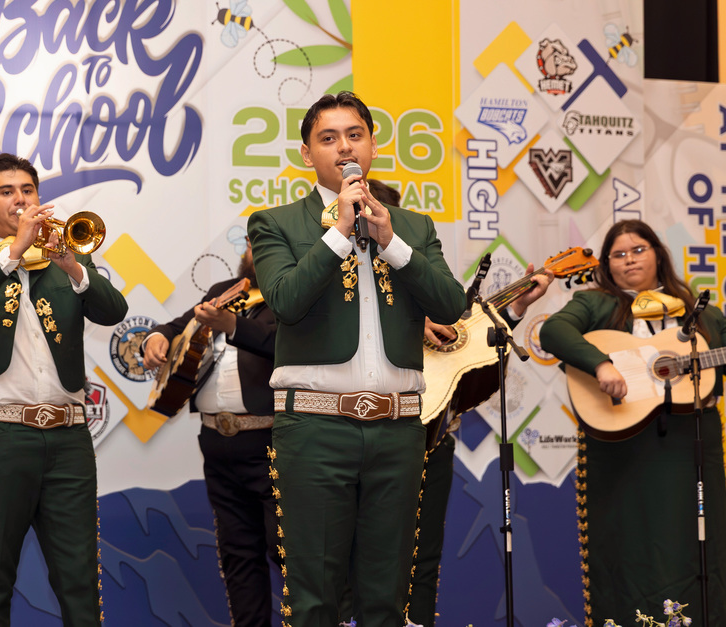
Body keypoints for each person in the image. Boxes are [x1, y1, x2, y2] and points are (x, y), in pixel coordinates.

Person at [246, 91, 466, 627]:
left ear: (372, 144)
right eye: (328, 138)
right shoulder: (275, 223)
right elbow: (286, 302)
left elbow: (451, 305)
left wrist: (392, 243)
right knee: (315, 596)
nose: (344, 146)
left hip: (397, 429)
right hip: (316, 427)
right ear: (306, 154)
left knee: (387, 598)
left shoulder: (412, 226)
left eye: (355, 135)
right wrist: (339, 232)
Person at [0, 153, 128, 626]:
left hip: (68, 438)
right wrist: (14, 250)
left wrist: (70, 262)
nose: (20, 200)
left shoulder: (68, 257)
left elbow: (113, 311)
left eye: (27, 191)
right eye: (7, 192)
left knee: (80, 577)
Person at [539, 219, 726, 625]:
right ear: (607, 264)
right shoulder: (596, 303)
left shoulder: (699, 310)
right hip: (621, 453)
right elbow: (553, 331)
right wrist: (600, 364)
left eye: (638, 250)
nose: (629, 260)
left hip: (689, 449)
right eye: (618, 255)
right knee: (628, 547)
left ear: (658, 252)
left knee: (697, 543)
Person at [141, 239, 279, 627]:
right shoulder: (225, 291)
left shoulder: (292, 295)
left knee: (285, 548)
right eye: (252, 242)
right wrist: (159, 336)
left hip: (271, 442)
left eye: (267, 242)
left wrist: (233, 326)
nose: (255, 249)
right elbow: (177, 325)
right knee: (237, 552)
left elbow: (284, 347)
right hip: (217, 442)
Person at [411, 269, 553, 627]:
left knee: (424, 557)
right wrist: (408, 324)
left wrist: (517, 306)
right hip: (368, 435)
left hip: (432, 437)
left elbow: (470, 333)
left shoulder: (425, 271)